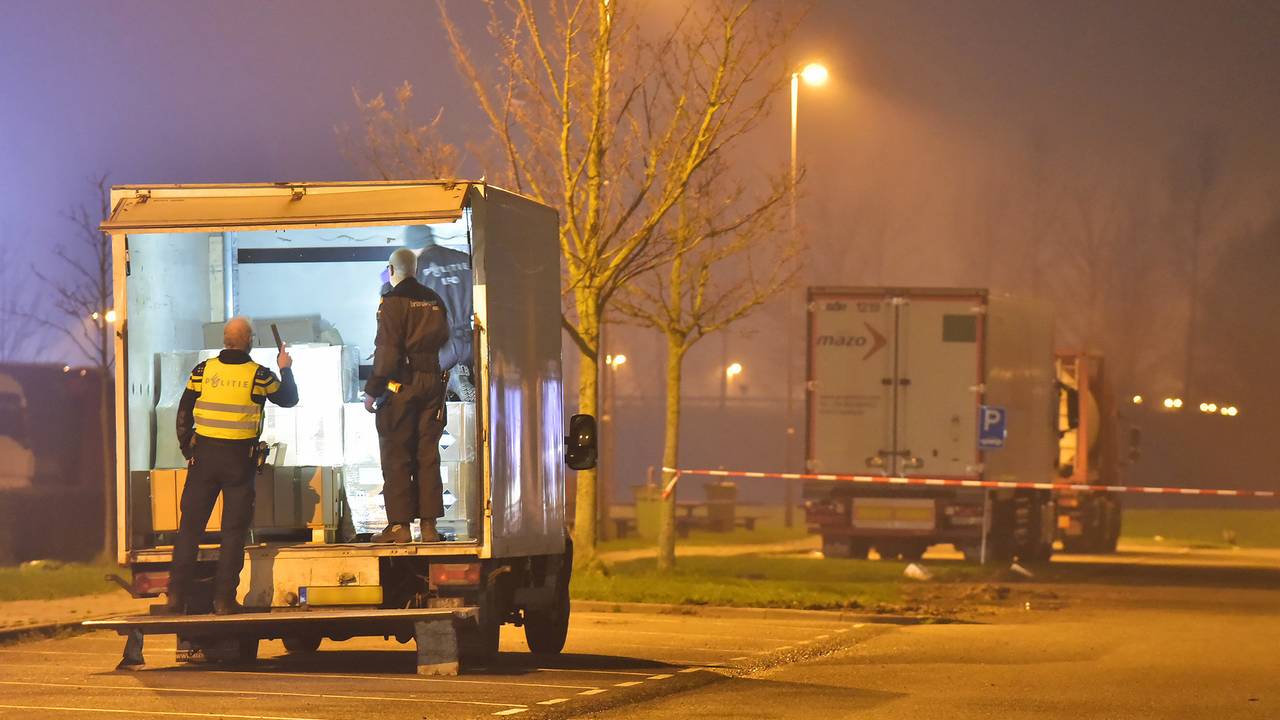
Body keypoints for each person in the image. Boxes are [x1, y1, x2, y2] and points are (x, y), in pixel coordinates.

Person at [163, 317, 298, 614]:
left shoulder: (203, 370)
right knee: (232, 533)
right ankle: (224, 601)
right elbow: (289, 399)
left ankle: (175, 598)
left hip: (204, 460)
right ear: (249, 340)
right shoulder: (259, 375)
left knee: (189, 530)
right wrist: (285, 366)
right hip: (239, 461)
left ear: (225, 340)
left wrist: (188, 448)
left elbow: (184, 411)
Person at [364, 247, 452, 544]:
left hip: (401, 384)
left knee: (396, 453)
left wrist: (372, 390)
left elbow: (387, 351)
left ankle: (400, 527)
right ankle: (428, 526)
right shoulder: (434, 299)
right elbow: (445, 337)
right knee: (427, 455)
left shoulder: (392, 301)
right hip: (432, 383)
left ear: (391, 270)